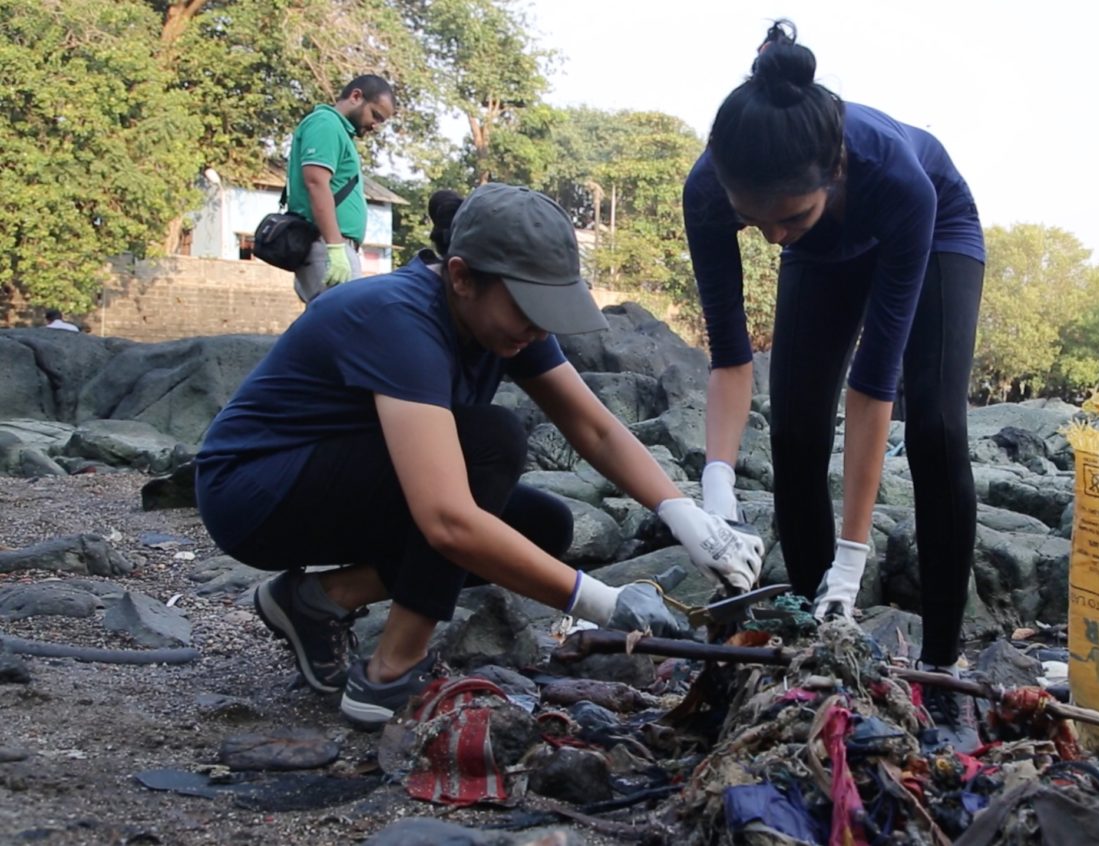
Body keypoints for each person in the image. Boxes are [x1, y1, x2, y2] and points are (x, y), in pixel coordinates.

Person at [197, 184, 763, 729]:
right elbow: (447, 519)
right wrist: (603, 603)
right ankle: (391, 672)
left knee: (542, 527)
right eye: (529, 309)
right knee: (491, 443)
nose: (538, 328)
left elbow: (595, 429)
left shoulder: (505, 324)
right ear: (462, 276)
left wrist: (685, 515)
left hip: (344, 479)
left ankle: (320, 600)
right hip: (256, 492)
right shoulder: (398, 317)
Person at [683, 22, 986, 747]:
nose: (773, 238)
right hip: (829, 249)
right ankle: (818, 639)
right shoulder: (711, 190)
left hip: (935, 231)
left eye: (787, 217)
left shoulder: (896, 178)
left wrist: (855, 557)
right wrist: (715, 490)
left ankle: (944, 665)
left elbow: (873, 387)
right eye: (754, 222)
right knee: (794, 430)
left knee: (936, 427)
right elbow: (731, 358)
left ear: (836, 169)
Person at [286, 74, 396, 306]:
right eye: (375, 115)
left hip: (331, 245)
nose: (375, 125)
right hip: (327, 245)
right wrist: (335, 248)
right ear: (356, 96)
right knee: (346, 321)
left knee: (333, 323)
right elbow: (316, 183)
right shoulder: (326, 124)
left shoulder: (338, 131)